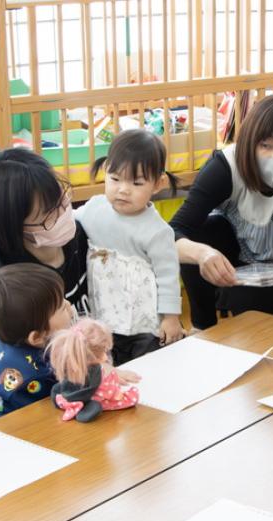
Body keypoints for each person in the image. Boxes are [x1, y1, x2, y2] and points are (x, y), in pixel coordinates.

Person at [170, 93, 273, 331]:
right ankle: (202, 328)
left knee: (248, 303)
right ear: (251, 141)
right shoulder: (225, 166)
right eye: (266, 146)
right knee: (201, 233)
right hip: (243, 256)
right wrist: (201, 254)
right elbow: (175, 230)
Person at [0, 148, 89, 379]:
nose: (64, 213)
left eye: (62, 199)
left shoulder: (77, 235)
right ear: (15, 229)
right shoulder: (3, 294)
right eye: (49, 215)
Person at [76, 129, 183, 365]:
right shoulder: (94, 208)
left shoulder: (158, 231)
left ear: (158, 184)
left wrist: (171, 318)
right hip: (103, 315)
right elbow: (70, 225)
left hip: (144, 323)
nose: (123, 189)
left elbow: (168, 277)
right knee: (108, 371)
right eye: (115, 179)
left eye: (136, 182)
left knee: (150, 370)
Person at [0, 264, 73, 423]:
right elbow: (62, 409)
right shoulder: (37, 375)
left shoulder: (10, 333)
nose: (69, 304)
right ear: (37, 337)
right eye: (61, 307)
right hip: (16, 434)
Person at [48, 318, 139, 423]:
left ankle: (69, 402)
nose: (105, 357)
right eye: (100, 354)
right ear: (87, 356)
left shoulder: (76, 367)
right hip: (86, 397)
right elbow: (99, 391)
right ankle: (82, 407)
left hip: (69, 394)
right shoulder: (95, 371)